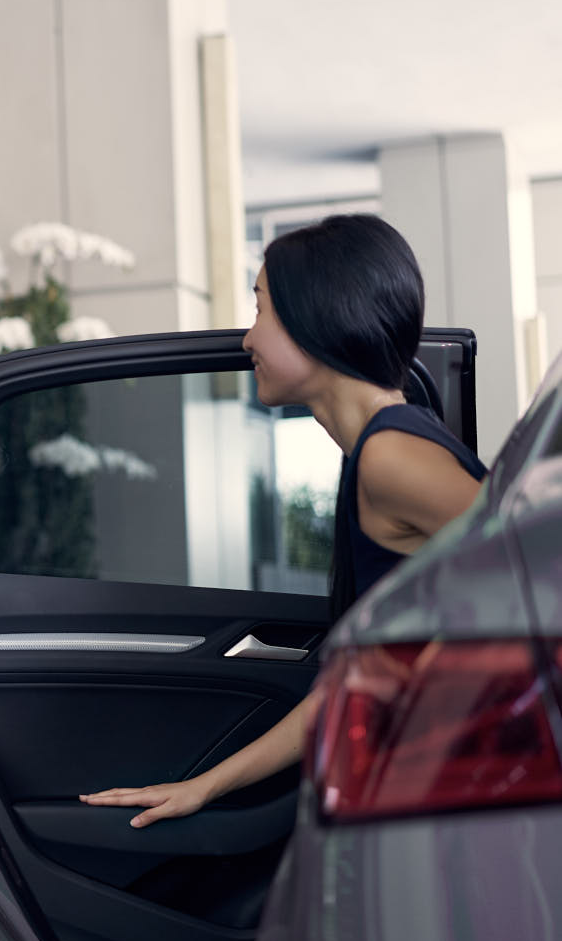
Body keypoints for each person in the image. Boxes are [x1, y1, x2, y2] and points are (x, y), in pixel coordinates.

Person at [80, 214, 485, 828]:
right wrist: (203, 788)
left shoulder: (392, 457)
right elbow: (359, 681)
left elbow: (539, 572)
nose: (248, 339)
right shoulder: (379, 451)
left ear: (317, 316)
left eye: (262, 307)